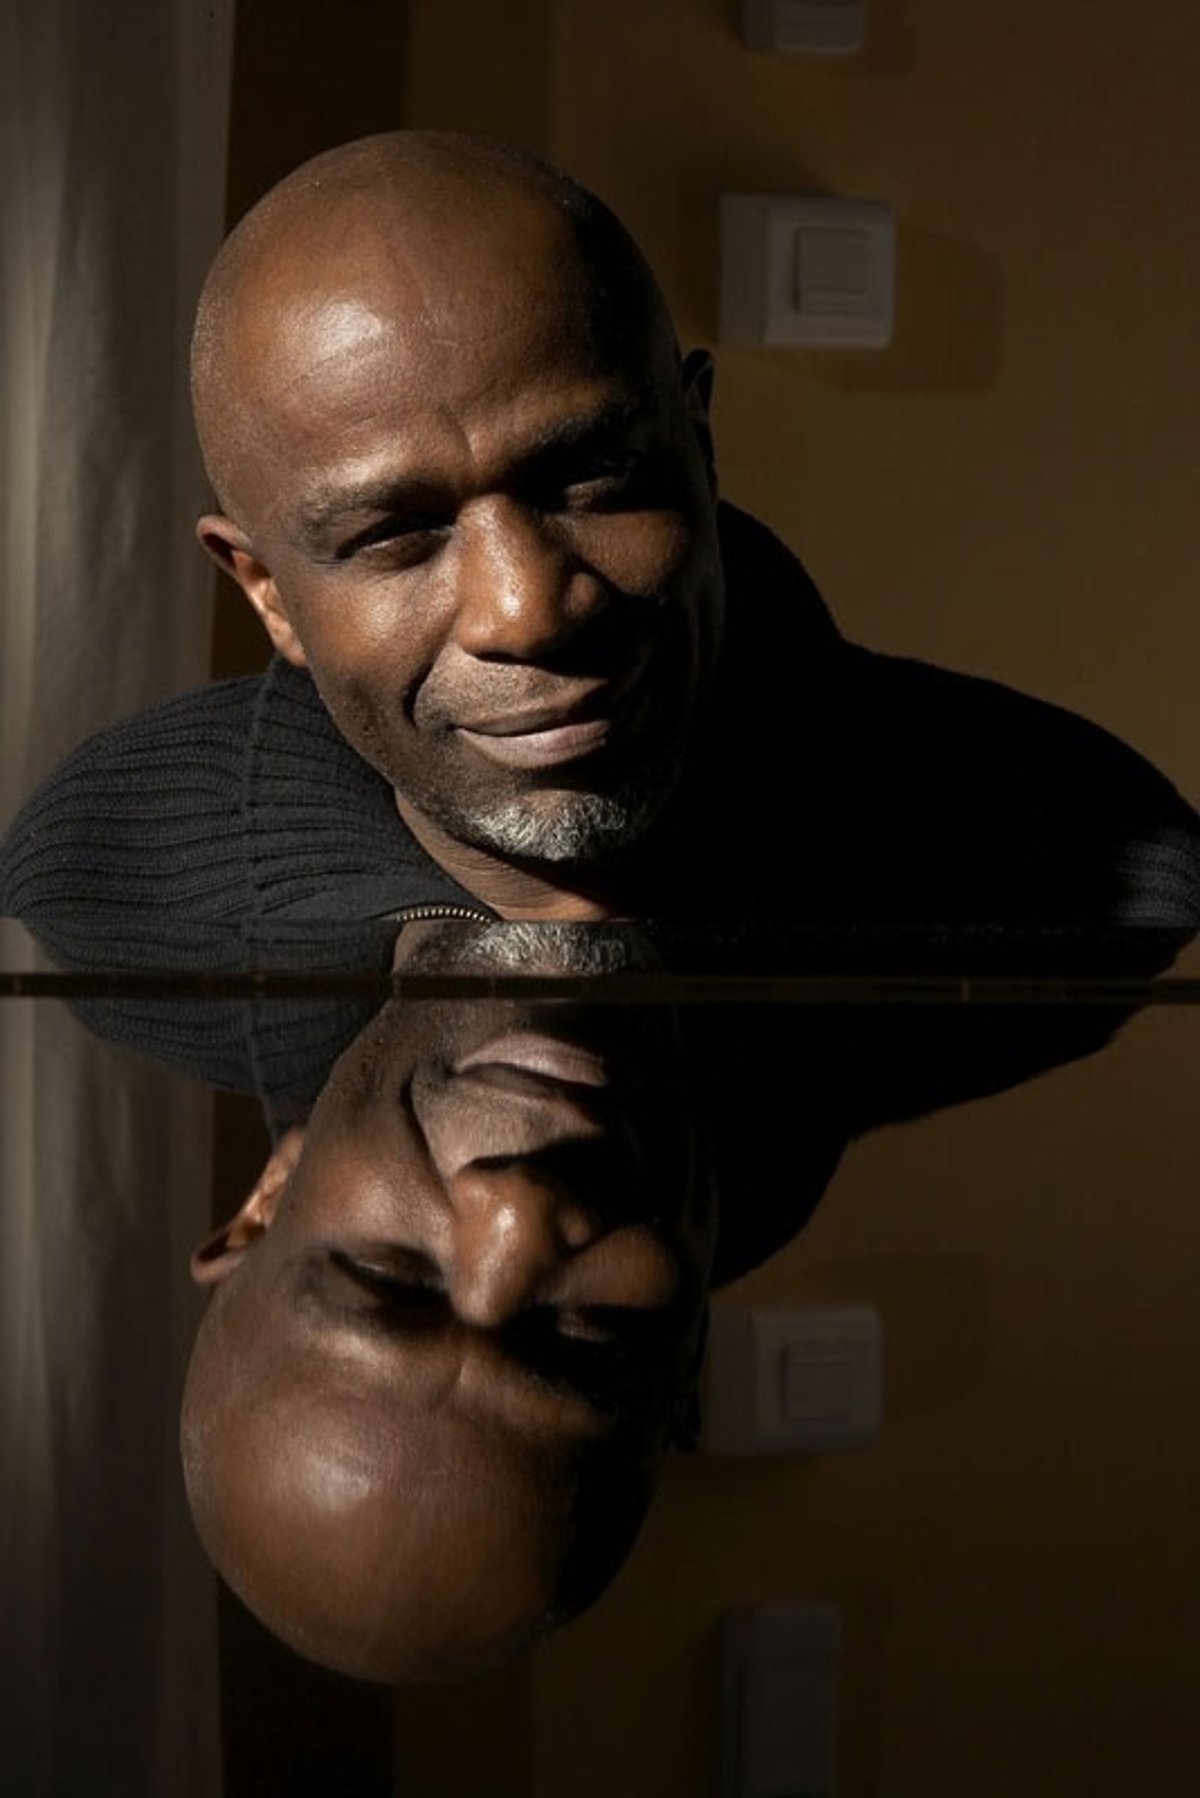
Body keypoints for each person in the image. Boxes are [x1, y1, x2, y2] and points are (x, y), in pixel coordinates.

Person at [2, 129, 1197, 938]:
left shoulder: (1083, 853)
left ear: (699, 446)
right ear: (266, 592)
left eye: (593, 480)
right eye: (398, 535)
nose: (525, 611)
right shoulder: (97, 874)